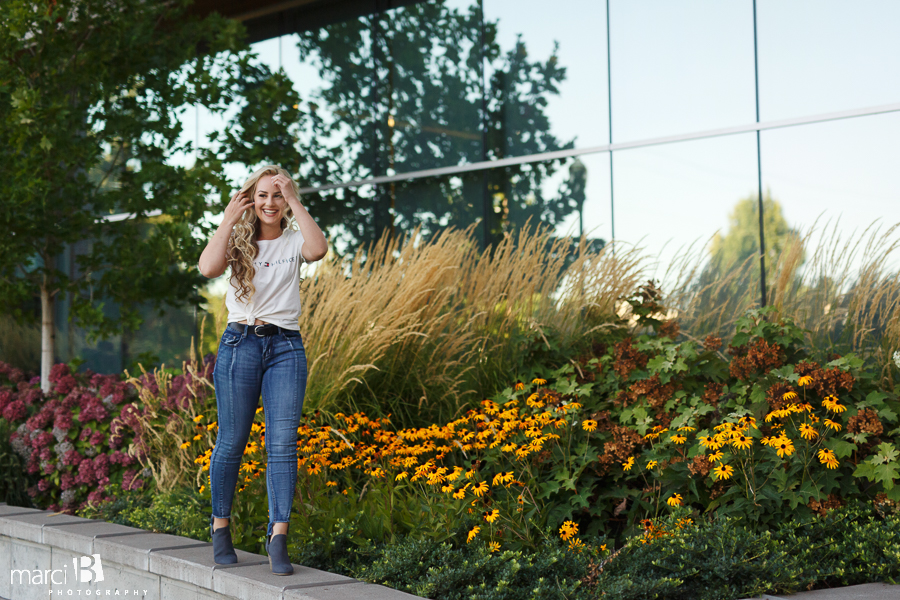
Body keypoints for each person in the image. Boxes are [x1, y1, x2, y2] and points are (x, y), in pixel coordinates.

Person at [197, 164, 328, 575]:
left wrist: (295, 199)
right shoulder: (237, 243)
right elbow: (207, 269)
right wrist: (227, 221)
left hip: (286, 347)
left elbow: (319, 249)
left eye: (277, 195)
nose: (269, 203)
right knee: (232, 441)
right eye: (262, 195)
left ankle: (279, 537)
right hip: (240, 345)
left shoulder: (293, 242)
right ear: (251, 200)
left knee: (283, 444)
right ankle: (220, 528)